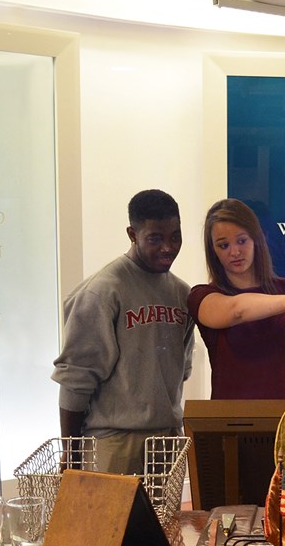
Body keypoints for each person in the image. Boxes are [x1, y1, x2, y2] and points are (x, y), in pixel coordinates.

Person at [52, 189, 195, 474]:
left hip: (166, 439)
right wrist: (71, 450)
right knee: (109, 521)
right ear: (132, 234)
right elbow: (76, 378)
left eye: (175, 236)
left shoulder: (181, 293)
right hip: (112, 442)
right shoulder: (103, 291)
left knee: (163, 521)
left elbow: (182, 370)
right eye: (155, 238)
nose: (168, 247)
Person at [188, 198, 285, 399]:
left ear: (257, 239)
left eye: (241, 240)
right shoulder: (202, 296)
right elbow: (235, 310)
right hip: (229, 424)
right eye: (223, 245)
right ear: (213, 250)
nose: (235, 252)